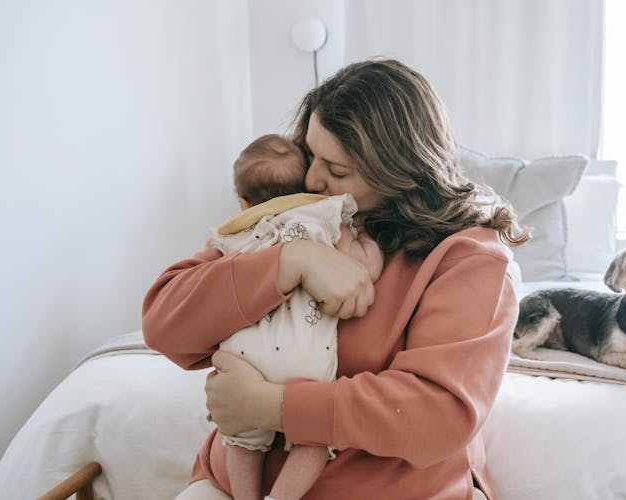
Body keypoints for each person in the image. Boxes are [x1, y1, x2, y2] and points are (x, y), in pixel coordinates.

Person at [143, 58, 529, 500]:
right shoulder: (292, 212)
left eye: (337, 170)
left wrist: (271, 406)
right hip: (235, 484)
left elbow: (438, 414)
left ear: (399, 172)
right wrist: (289, 262)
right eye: (311, 155)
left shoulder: (468, 258)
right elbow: (163, 323)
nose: (311, 178)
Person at [191, 133, 384, 500]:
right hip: (303, 352)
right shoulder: (325, 217)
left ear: (243, 200)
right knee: (313, 438)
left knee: (242, 440)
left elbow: (210, 280)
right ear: (305, 183)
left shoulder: (235, 231)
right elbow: (360, 270)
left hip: (245, 352)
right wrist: (370, 249)